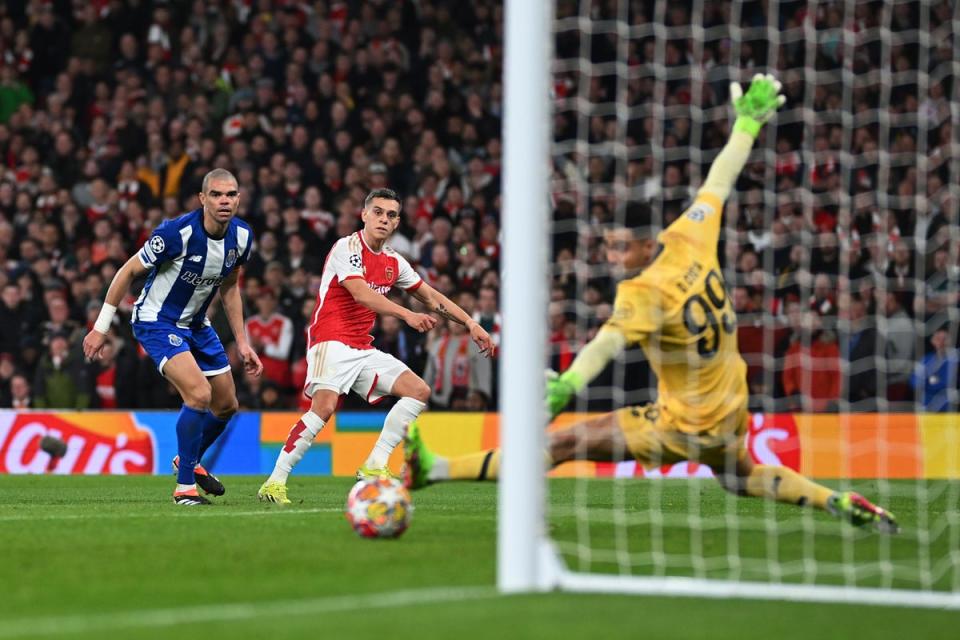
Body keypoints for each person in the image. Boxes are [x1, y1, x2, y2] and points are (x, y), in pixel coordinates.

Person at [403, 75, 899, 534]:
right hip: (732, 410)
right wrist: (747, 125)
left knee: (560, 444)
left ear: (646, 245)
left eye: (621, 248)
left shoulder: (643, 291)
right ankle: (835, 501)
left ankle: (434, 469)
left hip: (683, 423)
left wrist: (570, 384)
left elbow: (607, 343)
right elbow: (720, 180)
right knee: (741, 475)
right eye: (609, 247)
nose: (613, 257)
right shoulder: (691, 234)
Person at [258, 188, 494, 505]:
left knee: (418, 391)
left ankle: (375, 464)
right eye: (378, 212)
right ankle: (274, 482)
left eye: (391, 215)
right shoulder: (348, 247)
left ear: (397, 222)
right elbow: (362, 295)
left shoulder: (394, 262)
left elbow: (431, 297)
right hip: (331, 340)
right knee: (325, 408)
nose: (384, 219)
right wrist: (407, 314)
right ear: (365, 215)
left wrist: (470, 323)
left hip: (361, 348)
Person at [83, 168, 263, 505]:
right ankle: (184, 489)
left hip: (196, 324)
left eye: (231, 195)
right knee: (198, 394)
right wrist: (100, 326)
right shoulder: (175, 233)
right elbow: (128, 271)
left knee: (226, 405)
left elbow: (230, 286)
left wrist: (242, 341)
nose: (224, 201)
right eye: (216, 195)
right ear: (202, 199)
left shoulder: (242, 237)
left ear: (239, 199)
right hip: (157, 321)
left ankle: (188, 460)